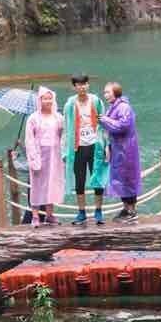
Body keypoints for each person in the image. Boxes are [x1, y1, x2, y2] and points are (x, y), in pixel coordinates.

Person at [63, 74, 110, 225]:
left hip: (95, 144)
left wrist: (107, 145)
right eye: (78, 84)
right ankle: (81, 212)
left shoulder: (96, 101)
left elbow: (104, 123)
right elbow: (66, 127)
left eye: (84, 84)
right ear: (74, 87)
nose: (82, 87)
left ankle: (98, 211)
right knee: (79, 180)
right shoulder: (70, 104)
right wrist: (64, 151)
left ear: (88, 85)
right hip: (78, 146)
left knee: (98, 177)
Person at [99, 81, 141, 222]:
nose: (105, 95)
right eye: (104, 92)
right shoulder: (113, 107)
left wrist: (105, 120)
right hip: (117, 148)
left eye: (108, 92)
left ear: (115, 92)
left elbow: (123, 126)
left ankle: (132, 210)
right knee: (120, 180)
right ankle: (126, 208)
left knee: (128, 179)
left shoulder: (124, 107)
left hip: (127, 149)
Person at [25, 86, 65, 226]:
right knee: (37, 184)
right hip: (39, 153)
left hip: (54, 154)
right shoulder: (33, 118)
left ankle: (49, 214)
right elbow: (29, 139)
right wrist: (33, 157)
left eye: (49, 98)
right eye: (44, 98)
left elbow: (63, 136)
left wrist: (63, 153)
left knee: (51, 183)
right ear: (40, 100)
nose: (47, 101)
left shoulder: (58, 117)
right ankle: (35, 216)